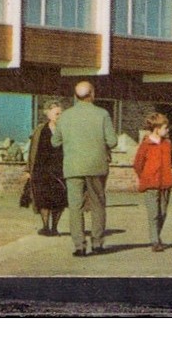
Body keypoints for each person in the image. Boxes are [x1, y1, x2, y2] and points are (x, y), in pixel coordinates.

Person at [54, 80, 118, 257]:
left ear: (75, 96)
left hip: (73, 167)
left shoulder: (65, 116)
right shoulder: (102, 114)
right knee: (98, 204)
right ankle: (97, 243)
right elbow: (112, 141)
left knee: (75, 207)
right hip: (97, 166)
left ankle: (79, 246)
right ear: (93, 94)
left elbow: (55, 142)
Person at [133, 111, 172, 252]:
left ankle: (156, 236)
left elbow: (170, 162)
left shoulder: (167, 144)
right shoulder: (146, 145)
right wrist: (145, 176)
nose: (167, 130)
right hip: (150, 183)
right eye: (165, 128)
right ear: (157, 129)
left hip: (165, 182)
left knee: (163, 213)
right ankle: (155, 241)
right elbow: (138, 164)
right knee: (153, 214)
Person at [26, 100, 68, 236]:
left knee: (59, 199)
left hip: (60, 170)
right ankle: (45, 226)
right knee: (43, 198)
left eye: (60, 113)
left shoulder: (66, 131)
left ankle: (55, 227)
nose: (58, 115)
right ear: (47, 114)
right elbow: (32, 150)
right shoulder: (40, 130)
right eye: (56, 113)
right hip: (41, 169)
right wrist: (28, 169)